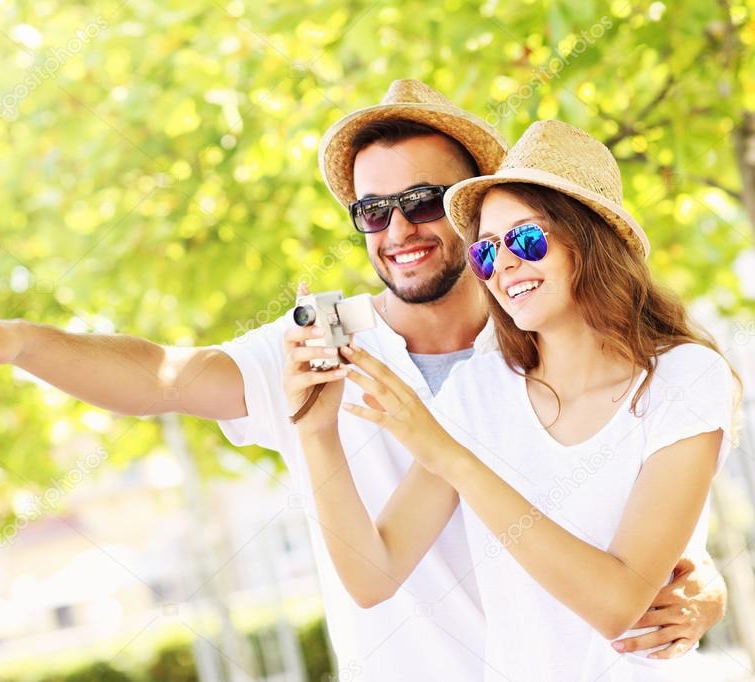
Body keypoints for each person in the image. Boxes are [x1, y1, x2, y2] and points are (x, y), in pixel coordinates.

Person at [0, 81, 727, 680]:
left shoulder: (548, 366)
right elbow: (163, 377)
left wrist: (701, 587)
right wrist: (19, 342)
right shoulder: (341, 350)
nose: (396, 228)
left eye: (425, 201)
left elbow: (629, 543)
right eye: (371, 211)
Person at [289, 119, 741, 680]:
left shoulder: (684, 378)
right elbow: (371, 576)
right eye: (484, 252)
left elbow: (617, 604)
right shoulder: (478, 393)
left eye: (526, 239)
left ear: (590, 239)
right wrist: (315, 431)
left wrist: (450, 455)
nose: (502, 266)